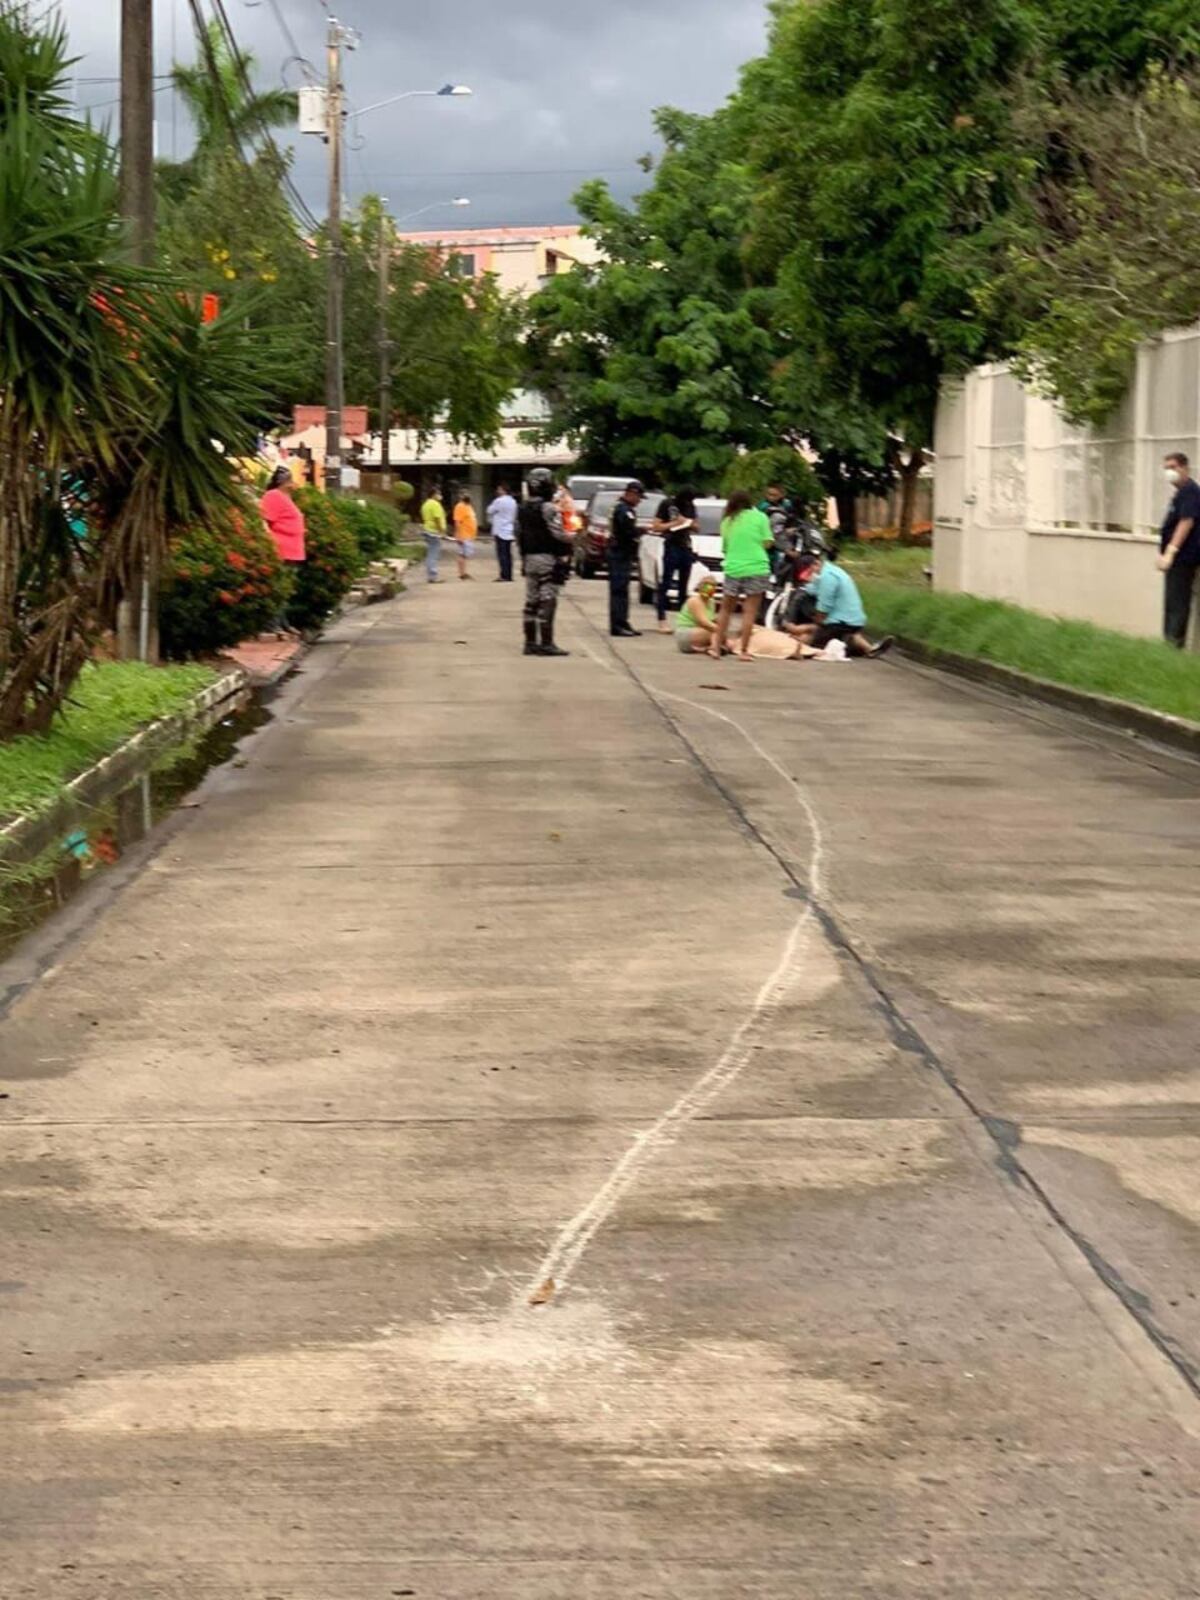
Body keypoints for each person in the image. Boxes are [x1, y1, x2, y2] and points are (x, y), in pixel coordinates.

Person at [785, 551, 894, 657]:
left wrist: (803, 627)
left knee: (810, 636)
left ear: (816, 564)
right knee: (846, 635)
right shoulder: (832, 570)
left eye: (810, 573)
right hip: (854, 621)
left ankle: (796, 644)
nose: (810, 577)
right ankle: (866, 648)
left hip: (841, 623)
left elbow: (823, 611)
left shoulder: (827, 578)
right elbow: (812, 589)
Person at [516, 466, 573, 657]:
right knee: (548, 598)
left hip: (529, 558)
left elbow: (519, 534)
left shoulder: (522, 508)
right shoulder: (548, 508)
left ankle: (530, 642)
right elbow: (557, 533)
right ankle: (547, 643)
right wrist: (573, 537)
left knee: (531, 600)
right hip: (547, 557)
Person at [711, 490, 773, 660]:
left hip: (733, 568)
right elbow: (767, 543)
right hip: (757, 567)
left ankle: (716, 648)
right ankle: (744, 651)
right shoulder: (761, 517)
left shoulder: (727, 521)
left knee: (725, 609)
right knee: (749, 611)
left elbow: (725, 548)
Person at [259, 465, 306, 637]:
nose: (293, 483)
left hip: (293, 551)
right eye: (290, 479)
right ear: (282, 482)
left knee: (287, 589)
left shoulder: (287, 498)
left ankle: (283, 623)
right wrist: (270, 543)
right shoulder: (273, 496)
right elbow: (265, 521)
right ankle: (273, 624)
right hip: (281, 549)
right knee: (279, 588)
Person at [1158, 452, 1200, 648]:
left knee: (1177, 605)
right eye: (1167, 468)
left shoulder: (1190, 492)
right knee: (1171, 604)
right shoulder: (1181, 493)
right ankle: (1169, 645)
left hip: (1183, 559)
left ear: (1185, 468)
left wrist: (1170, 552)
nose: (1169, 472)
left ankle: (1173, 647)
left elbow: (1186, 522)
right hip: (1178, 560)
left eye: (1173, 467)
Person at [654, 487, 699, 632]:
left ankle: (682, 620)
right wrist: (674, 524)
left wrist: (688, 522)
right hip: (671, 544)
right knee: (666, 583)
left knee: (683, 586)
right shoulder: (667, 504)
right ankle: (662, 619)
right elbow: (656, 526)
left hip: (685, 545)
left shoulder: (690, 506)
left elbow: (697, 526)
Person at [609, 481, 644, 638]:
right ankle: (618, 625)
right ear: (631, 493)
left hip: (622, 553)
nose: (639, 501)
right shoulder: (623, 510)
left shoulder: (623, 508)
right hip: (619, 553)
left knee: (622, 590)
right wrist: (642, 531)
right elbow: (627, 531)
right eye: (638, 497)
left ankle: (623, 622)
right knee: (619, 591)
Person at [675, 572, 721, 652]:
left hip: (700, 631)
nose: (709, 589)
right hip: (687, 633)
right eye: (706, 586)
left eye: (712, 587)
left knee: (718, 632)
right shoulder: (695, 601)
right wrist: (719, 630)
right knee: (716, 633)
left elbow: (711, 620)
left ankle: (707, 648)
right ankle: (714, 648)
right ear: (700, 587)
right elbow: (703, 621)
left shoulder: (711, 602)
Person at [758, 483, 797, 574]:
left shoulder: (787, 505)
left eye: (774, 495)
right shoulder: (763, 506)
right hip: (767, 541)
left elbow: (794, 519)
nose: (771, 497)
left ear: (781, 495)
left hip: (783, 540)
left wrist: (792, 528)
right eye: (769, 494)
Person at [487, 481, 518, 582]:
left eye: (499, 489)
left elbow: (489, 510)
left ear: (503, 490)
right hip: (509, 529)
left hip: (500, 529)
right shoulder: (513, 501)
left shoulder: (499, 501)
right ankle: (509, 575)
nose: (497, 491)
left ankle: (503, 575)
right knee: (508, 554)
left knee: (502, 554)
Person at [420, 486, 447, 583]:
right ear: (434, 494)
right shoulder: (435, 504)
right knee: (433, 555)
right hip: (434, 532)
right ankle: (433, 576)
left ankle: (431, 575)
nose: (440, 496)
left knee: (430, 553)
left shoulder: (426, 504)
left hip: (427, 530)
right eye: (438, 494)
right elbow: (437, 519)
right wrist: (442, 532)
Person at [453, 492, 478, 581]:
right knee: (462, 554)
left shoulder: (468, 506)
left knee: (465, 554)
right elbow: (457, 522)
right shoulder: (460, 506)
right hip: (464, 534)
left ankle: (463, 572)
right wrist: (458, 534)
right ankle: (462, 574)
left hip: (469, 534)